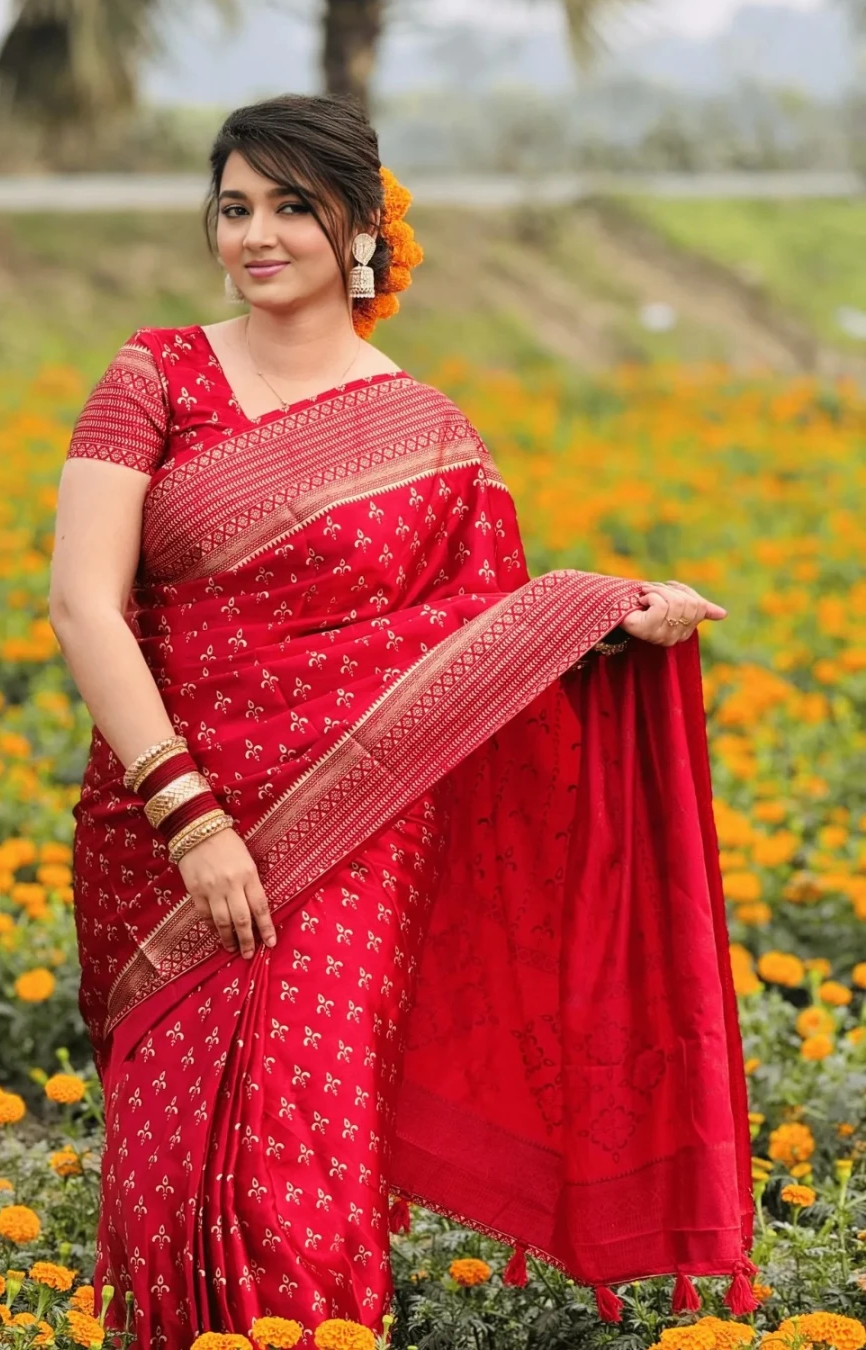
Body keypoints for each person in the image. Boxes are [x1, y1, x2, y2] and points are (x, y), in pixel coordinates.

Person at [48, 92, 756, 1350]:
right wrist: (194, 819)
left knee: (301, 1150)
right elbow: (82, 608)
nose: (255, 235)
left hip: (356, 835)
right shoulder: (154, 373)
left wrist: (609, 614)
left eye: (290, 207)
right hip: (161, 827)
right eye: (233, 207)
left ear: (363, 226)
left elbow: (472, 657)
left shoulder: (431, 435)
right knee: (170, 1175)